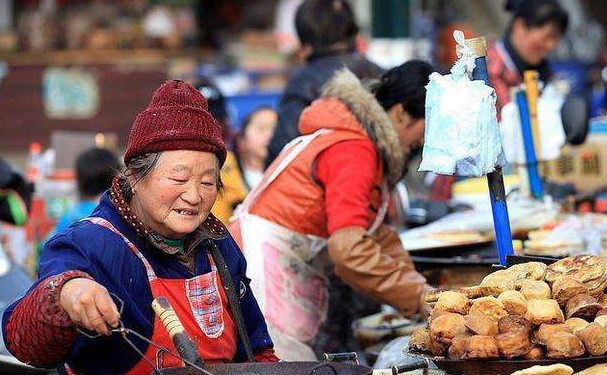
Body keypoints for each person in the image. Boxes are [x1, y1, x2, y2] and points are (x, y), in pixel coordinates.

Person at [2, 80, 277, 374]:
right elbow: (23, 342)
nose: (195, 195)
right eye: (179, 179)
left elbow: (258, 350)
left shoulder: (218, 246)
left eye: (208, 182)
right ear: (134, 176)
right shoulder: (89, 243)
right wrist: (65, 294)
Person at [230, 61, 434, 360]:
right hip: (263, 268)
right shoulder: (354, 149)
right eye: (429, 124)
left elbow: (373, 235)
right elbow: (350, 250)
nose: (425, 140)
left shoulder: (357, 142)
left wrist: (424, 292)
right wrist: (418, 296)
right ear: (401, 113)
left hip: (284, 263)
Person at [266, 0, 382, 165]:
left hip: (328, 183)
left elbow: (281, 151)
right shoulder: (379, 74)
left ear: (305, 41)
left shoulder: (303, 83)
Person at [488, 0, 569, 114]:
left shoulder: (542, 71)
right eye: (547, 36)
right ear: (520, 26)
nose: (551, 46)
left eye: (556, 39)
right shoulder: (490, 72)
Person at [194, 78, 249, 224]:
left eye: (215, 120)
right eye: (199, 122)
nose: (208, 128)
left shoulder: (235, 154)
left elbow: (239, 201)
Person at [55, 147, 119, 233]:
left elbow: (47, 244)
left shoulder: (68, 218)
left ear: (79, 179)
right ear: (116, 177)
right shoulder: (122, 217)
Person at [235, 107, 278, 189]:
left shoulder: (286, 174)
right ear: (242, 138)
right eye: (261, 128)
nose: (269, 135)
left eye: (275, 130)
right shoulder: (226, 173)